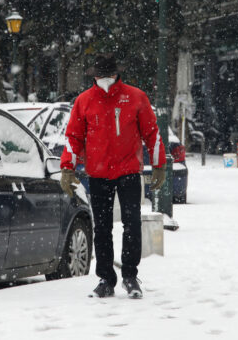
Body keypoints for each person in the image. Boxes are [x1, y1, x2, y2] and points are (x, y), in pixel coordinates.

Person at [60, 54, 166, 299]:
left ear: (116, 74)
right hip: (98, 173)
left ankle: (129, 275)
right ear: (95, 76)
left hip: (128, 171)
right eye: (101, 74)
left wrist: (159, 164)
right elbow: (73, 137)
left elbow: (152, 133)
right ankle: (106, 278)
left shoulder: (136, 97)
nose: (104, 79)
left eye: (107, 74)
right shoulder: (84, 101)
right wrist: (68, 167)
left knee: (131, 224)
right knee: (103, 228)